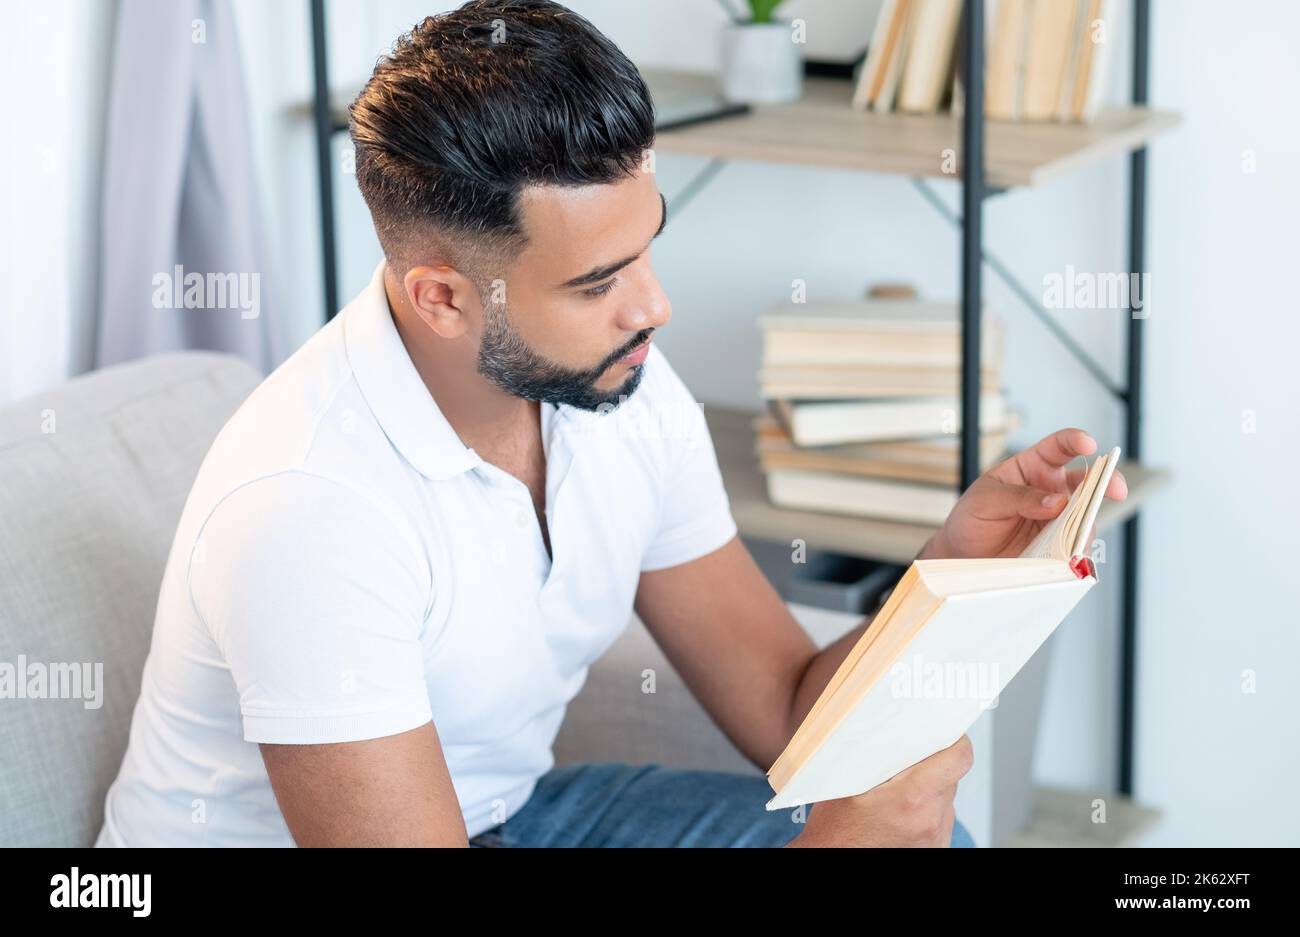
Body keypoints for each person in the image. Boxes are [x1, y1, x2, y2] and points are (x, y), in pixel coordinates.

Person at [96, 0, 1126, 848]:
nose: (653, 307)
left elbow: (784, 706)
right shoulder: (309, 509)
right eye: (597, 283)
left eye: (646, 251)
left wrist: (956, 564)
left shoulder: (615, 387)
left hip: (511, 819)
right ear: (443, 298)